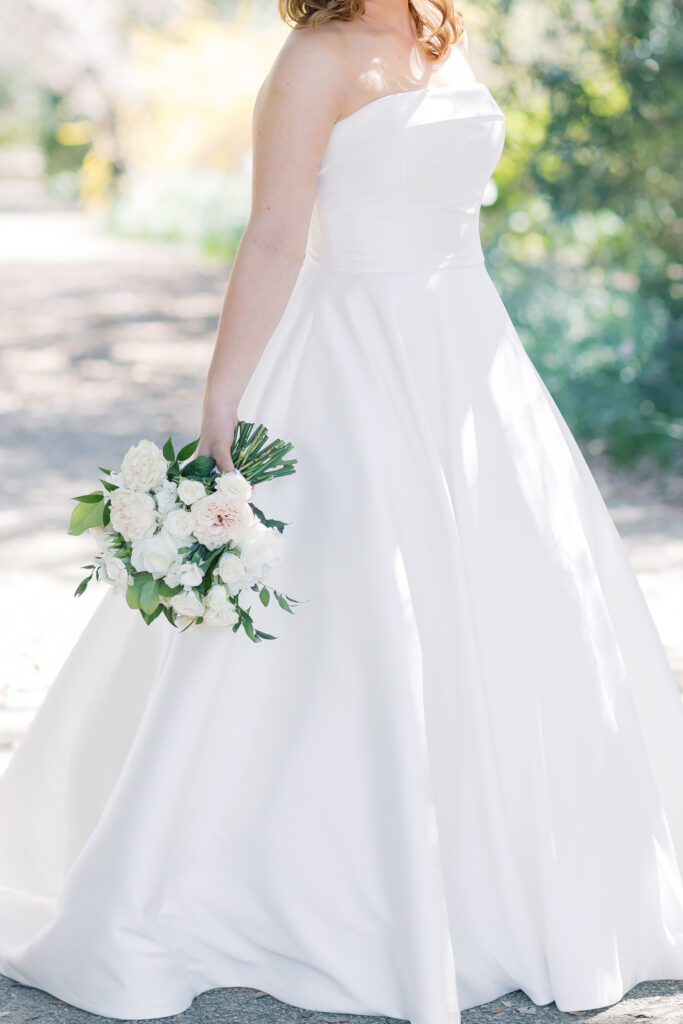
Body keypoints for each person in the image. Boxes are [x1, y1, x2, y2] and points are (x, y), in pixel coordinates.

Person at [1, 1, 683, 1022]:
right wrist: (222, 398)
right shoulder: (310, 58)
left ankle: (518, 880)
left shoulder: (446, 38)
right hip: (348, 356)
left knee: (512, 605)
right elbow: (275, 236)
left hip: (468, 354)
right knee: (356, 609)